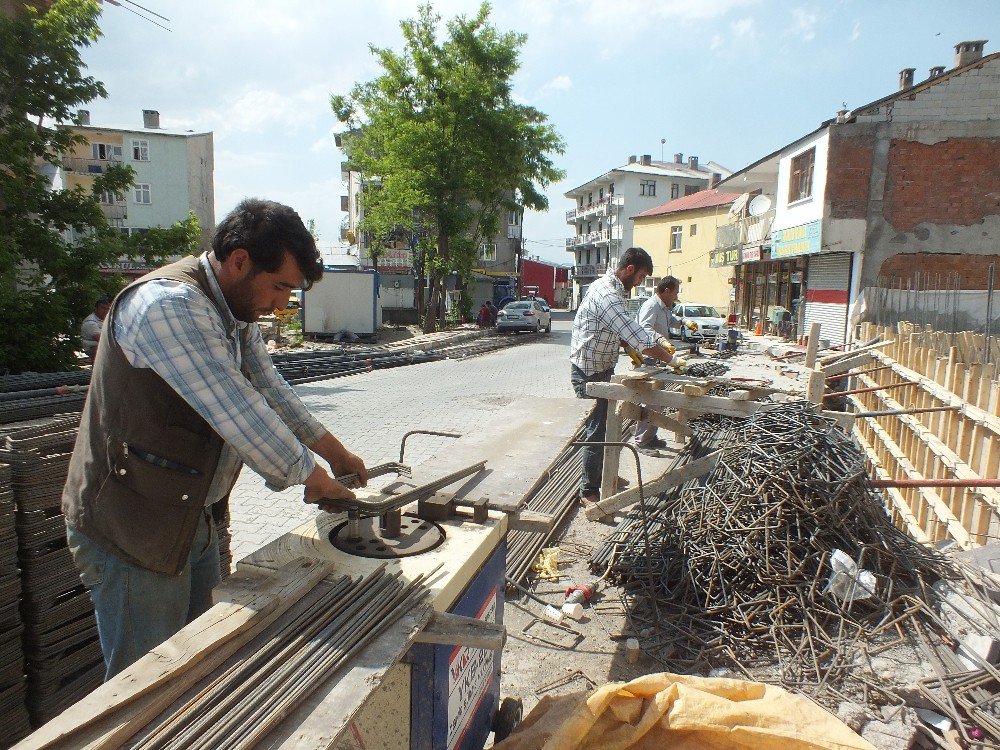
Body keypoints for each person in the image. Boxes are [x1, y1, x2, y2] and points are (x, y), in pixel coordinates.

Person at [62, 198, 367, 680]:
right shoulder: (169, 307)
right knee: (147, 685)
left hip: (192, 517)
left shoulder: (233, 308)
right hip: (134, 528)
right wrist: (315, 479)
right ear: (240, 261)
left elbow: (270, 390)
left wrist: (337, 454)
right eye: (280, 286)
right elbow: (239, 412)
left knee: (201, 665)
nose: (282, 304)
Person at [569, 248, 677, 508]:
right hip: (588, 371)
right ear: (629, 269)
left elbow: (618, 331)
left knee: (606, 425)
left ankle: (602, 475)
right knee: (597, 430)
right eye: (640, 277)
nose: (640, 282)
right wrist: (670, 359)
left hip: (600, 366)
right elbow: (638, 336)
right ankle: (588, 491)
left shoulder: (614, 290)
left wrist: (626, 346)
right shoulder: (607, 294)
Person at [633, 276, 684, 450]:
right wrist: (661, 340)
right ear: (666, 291)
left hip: (658, 359)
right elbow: (644, 328)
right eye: (675, 292)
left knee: (657, 401)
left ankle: (650, 436)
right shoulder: (651, 305)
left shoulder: (664, 308)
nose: (676, 296)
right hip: (648, 358)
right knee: (650, 401)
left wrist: (684, 323)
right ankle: (642, 441)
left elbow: (670, 320)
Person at [81, 295, 112, 361]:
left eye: (108, 309)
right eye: (103, 308)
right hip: (92, 348)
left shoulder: (108, 319)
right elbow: (102, 339)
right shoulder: (90, 322)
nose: (105, 311)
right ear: (97, 308)